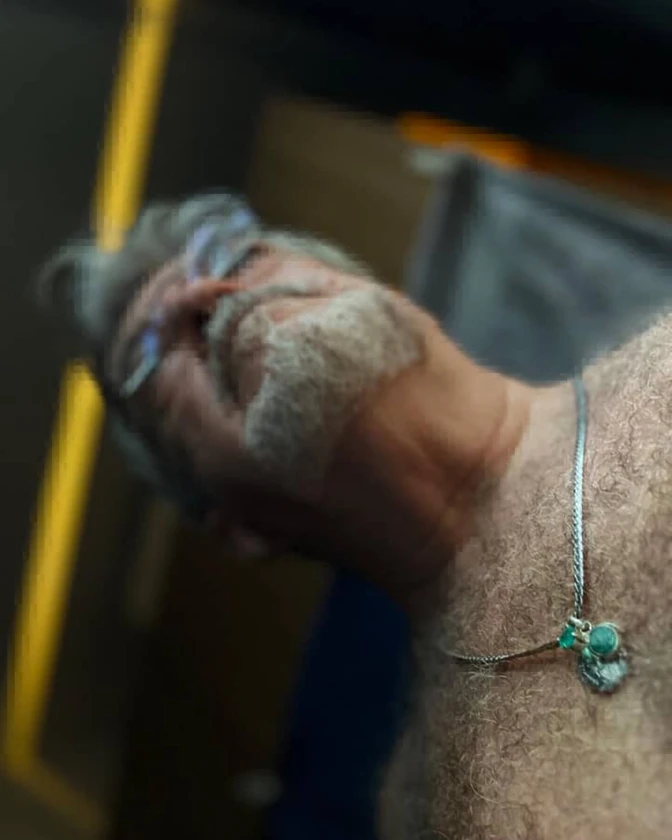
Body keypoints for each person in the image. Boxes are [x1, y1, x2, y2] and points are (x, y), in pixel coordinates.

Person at [41, 193, 672, 839]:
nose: (202, 294)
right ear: (241, 528)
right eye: (151, 355)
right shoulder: (436, 809)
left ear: (378, 290)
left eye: (237, 255)